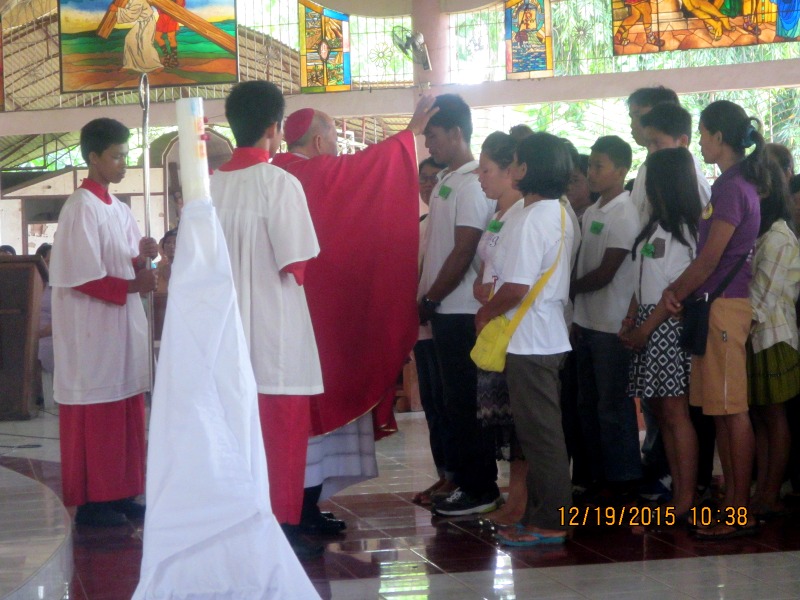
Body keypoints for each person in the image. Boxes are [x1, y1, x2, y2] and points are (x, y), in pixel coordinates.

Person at [271, 96, 439, 532]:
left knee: (300, 418)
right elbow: (370, 170)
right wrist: (411, 132)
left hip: (295, 319)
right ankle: (302, 512)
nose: (339, 152)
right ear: (322, 140)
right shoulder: (311, 173)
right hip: (325, 322)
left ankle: (304, 508)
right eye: (335, 141)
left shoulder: (276, 174)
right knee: (314, 414)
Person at [209, 81, 323, 558]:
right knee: (279, 432)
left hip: (223, 334)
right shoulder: (280, 183)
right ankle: (279, 526)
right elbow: (296, 263)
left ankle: (238, 526)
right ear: (275, 129)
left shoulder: (209, 187)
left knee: (233, 432)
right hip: (273, 331)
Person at [663, 100, 766, 539]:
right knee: (721, 412)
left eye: (704, 134)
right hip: (717, 305)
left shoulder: (731, 188)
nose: (700, 142)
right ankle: (730, 502)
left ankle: (739, 510)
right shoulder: (731, 183)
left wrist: (675, 292)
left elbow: (709, 259)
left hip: (725, 306)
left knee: (732, 411)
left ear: (720, 137)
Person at [49, 117, 158, 527]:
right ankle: (95, 502)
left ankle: (123, 492)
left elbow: (127, 261)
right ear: (93, 158)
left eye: (126, 155)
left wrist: (142, 255)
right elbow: (84, 276)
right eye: (116, 156)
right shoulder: (80, 208)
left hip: (120, 330)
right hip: (91, 333)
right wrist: (135, 285)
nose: (123, 164)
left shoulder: (119, 209)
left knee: (125, 409)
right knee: (98, 416)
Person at [477, 132, 575, 546]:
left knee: (542, 436)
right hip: (539, 335)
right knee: (537, 434)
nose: (511, 168)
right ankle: (538, 513)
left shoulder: (536, 216)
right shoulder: (548, 211)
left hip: (531, 339)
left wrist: (484, 312)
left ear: (529, 169)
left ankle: (551, 521)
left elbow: (516, 287)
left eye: (516, 162)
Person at [417, 94, 500, 517]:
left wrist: (431, 297)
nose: (428, 144)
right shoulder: (449, 180)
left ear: (456, 132)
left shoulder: (471, 183)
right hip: (446, 310)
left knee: (468, 403)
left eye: (432, 135)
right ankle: (464, 480)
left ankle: (480, 486)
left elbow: (465, 249)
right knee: (452, 403)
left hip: (463, 308)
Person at [620, 147, 702, 518]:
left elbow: (675, 293)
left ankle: (685, 496)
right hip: (647, 327)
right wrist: (630, 319)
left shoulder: (685, 233)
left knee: (674, 413)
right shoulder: (652, 227)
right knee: (661, 413)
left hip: (666, 329)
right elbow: (643, 282)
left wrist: (644, 329)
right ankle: (677, 490)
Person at [572, 135, 642, 505]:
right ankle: (599, 473)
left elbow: (607, 272)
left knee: (612, 405)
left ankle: (625, 475)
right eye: (591, 166)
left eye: (599, 166)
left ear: (621, 169)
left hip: (612, 324)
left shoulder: (625, 212)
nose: (592, 173)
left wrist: (565, 288)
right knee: (589, 404)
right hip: (588, 320)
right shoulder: (596, 210)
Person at [472, 132, 527, 527]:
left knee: (519, 423)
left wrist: (489, 300)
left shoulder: (524, 215)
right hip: (493, 322)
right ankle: (514, 498)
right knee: (504, 421)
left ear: (511, 172)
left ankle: (522, 501)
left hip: (514, 328)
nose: (479, 177)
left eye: (486, 169)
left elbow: (515, 279)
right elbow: (485, 269)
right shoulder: (498, 216)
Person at [747, 159, 800, 519]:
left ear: (765, 192)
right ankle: (763, 488)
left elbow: (763, 298)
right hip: (755, 334)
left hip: (773, 336)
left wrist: (736, 328)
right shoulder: (764, 231)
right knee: (763, 416)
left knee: (775, 416)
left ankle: (770, 491)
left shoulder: (780, 235)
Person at [412, 157, 452, 506]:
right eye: (422, 179)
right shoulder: (420, 224)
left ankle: (458, 477)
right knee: (433, 406)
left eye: (434, 178)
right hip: (420, 329)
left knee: (450, 403)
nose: (427, 185)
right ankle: (443, 475)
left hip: (443, 321)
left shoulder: (448, 223)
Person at [109, 0, 164, 73]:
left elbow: (132, 15)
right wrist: (118, 9)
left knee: (145, 43)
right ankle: (129, 64)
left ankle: (157, 66)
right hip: (141, 22)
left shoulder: (138, 0)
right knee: (129, 39)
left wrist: (117, 9)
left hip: (148, 22)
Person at [36, 243, 55, 407]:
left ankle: (43, 395)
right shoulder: (32, 283)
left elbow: (63, 320)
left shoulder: (59, 287)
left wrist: (38, 334)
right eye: (46, 262)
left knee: (43, 348)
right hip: (30, 334)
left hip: (50, 335)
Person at [154, 0, 185, 67]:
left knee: (171, 38)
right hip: (162, 17)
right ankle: (167, 56)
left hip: (171, 16)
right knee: (157, 37)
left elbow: (180, 4)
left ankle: (174, 60)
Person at [155, 228, 177, 293]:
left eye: (175, 242)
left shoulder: (188, 271)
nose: (171, 245)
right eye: (168, 242)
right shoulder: (158, 271)